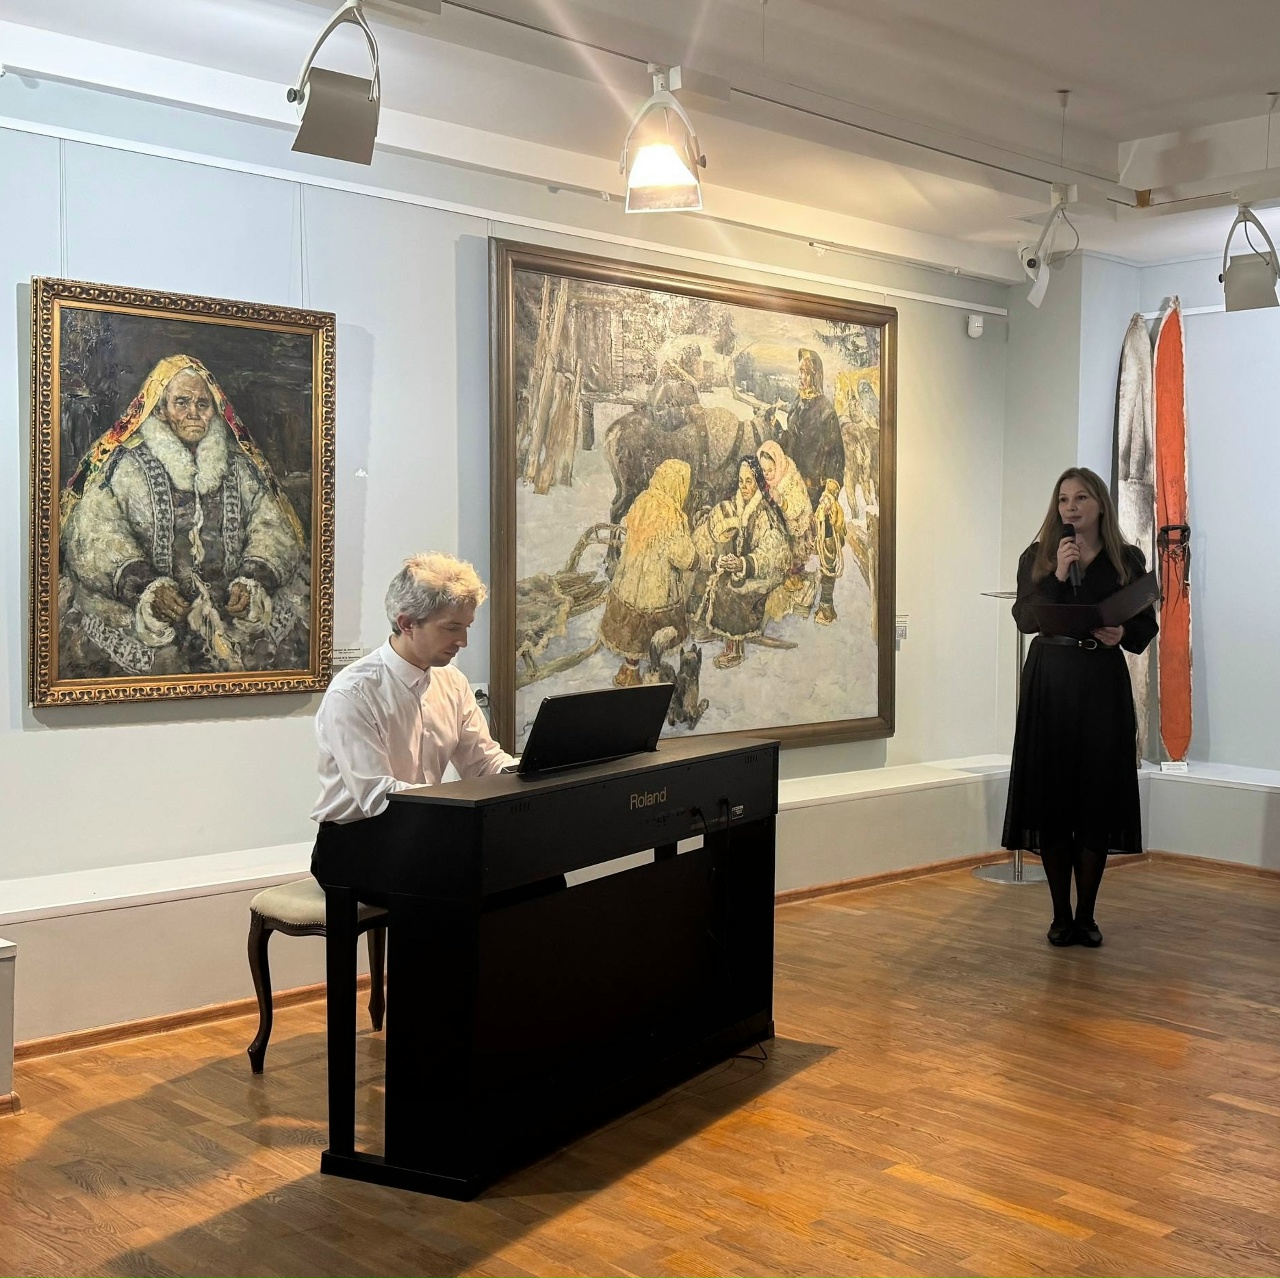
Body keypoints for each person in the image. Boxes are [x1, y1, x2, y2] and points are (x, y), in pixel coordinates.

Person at [59, 355, 307, 677]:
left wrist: (254, 578)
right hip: (145, 621)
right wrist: (145, 587)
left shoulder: (240, 466)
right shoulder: (125, 465)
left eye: (203, 404)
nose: (194, 413)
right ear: (160, 409)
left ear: (214, 410)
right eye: (182, 402)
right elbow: (93, 532)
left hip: (231, 618)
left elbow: (273, 525)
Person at [1001, 467, 1158, 948]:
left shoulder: (1125, 559)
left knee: (1095, 795)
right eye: (1064, 499)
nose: (1071, 507)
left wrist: (1122, 632)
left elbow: (1144, 626)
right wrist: (1057, 574)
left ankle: (1086, 915)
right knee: (1053, 797)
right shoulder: (1039, 556)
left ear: (1100, 505)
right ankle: (1059, 915)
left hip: (1100, 683)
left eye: (1081, 498)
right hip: (1051, 680)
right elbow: (1025, 618)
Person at [310, 553, 515, 884]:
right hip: (354, 840)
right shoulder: (353, 692)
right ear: (407, 624)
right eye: (452, 628)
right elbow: (377, 796)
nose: (463, 641)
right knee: (465, 882)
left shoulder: (453, 681)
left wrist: (523, 773)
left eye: (466, 627)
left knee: (534, 873)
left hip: (422, 830)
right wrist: (456, 809)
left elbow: (481, 762)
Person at [599, 459, 698, 687]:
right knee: (653, 631)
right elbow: (680, 554)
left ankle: (628, 670)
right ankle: (651, 673)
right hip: (655, 587)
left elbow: (628, 525)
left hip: (630, 581)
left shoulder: (643, 500)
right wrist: (696, 560)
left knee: (631, 631)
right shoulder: (671, 515)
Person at [694, 455, 789, 670]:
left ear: (757, 482)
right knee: (716, 577)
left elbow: (772, 553)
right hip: (740, 564)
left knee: (733, 590)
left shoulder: (764, 512)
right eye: (740, 481)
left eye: (749, 481)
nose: (744, 486)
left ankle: (735, 647)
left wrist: (744, 564)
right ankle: (716, 627)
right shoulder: (737, 504)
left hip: (764, 570)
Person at [784, 348, 846, 624]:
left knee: (826, 538)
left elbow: (836, 456)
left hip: (820, 489)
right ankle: (795, 579)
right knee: (791, 533)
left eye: (806, 372)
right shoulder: (796, 404)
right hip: (796, 488)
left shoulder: (826, 411)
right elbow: (789, 443)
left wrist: (829, 494)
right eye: (799, 371)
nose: (801, 377)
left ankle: (827, 603)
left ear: (816, 375)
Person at [756, 439, 814, 620]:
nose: (767, 474)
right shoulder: (772, 477)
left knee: (795, 552)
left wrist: (781, 501)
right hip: (784, 522)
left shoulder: (789, 478)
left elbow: (797, 507)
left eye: (770, 470)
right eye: (764, 470)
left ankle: (795, 576)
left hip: (799, 525)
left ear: (778, 463)